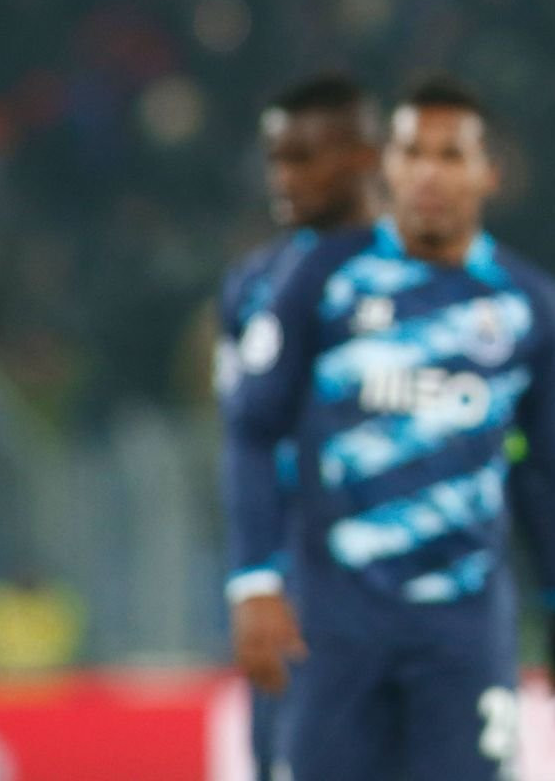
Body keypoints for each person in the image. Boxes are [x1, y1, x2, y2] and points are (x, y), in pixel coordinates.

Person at [224, 75, 555, 780]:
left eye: (450, 155)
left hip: (463, 629)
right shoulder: (322, 277)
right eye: (412, 152)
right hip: (335, 621)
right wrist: (255, 579)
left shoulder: (527, 305)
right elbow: (253, 428)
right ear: (388, 164)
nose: (428, 174)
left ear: (489, 172)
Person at [216, 74, 383, 781]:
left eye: (303, 158)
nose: (283, 178)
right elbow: (245, 438)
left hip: (411, 585)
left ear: (363, 157)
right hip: (300, 589)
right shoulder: (252, 287)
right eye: (275, 159)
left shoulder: (421, 274)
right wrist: (254, 575)